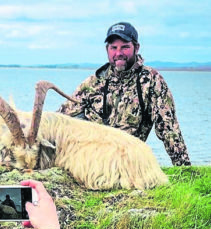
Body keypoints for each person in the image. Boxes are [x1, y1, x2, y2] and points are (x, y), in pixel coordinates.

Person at [58, 21, 191, 166]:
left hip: (127, 162)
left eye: (125, 47)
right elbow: (61, 118)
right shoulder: (93, 83)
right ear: (107, 49)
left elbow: (168, 128)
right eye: (113, 48)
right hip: (89, 160)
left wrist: (184, 169)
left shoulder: (150, 81)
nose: (118, 53)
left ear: (136, 48)